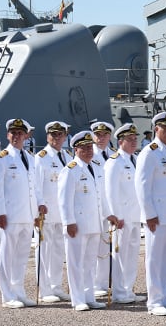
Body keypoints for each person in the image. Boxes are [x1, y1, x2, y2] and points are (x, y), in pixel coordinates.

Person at [135, 111, 166, 316]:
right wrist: (149, 214)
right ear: (157, 128)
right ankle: (154, 301)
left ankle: (165, 296)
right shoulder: (150, 152)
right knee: (155, 259)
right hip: (157, 217)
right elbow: (142, 186)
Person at [0, 118, 43, 309]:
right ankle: (7, 296)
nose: (16, 136)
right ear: (7, 135)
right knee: (6, 255)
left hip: (27, 216)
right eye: (13, 133)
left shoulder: (30, 158)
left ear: (26, 136)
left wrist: (39, 207)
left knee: (21, 256)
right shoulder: (1, 158)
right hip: (9, 215)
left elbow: (34, 187)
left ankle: (19, 292)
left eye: (20, 133)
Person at [59, 130, 107, 312]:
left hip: (93, 225)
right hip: (77, 226)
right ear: (75, 149)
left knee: (89, 264)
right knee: (76, 264)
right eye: (84, 148)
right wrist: (68, 222)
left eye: (90, 147)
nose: (88, 151)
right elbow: (64, 199)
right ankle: (78, 299)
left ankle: (89, 296)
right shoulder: (70, 170)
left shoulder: (94, 167)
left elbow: (98, 197)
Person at [104, 123, 145, 304]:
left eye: (135, 139)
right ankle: (119, 291)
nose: (134, 142)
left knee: (132, 254)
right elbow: (110, 191)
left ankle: (128, 289)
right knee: (120, 254)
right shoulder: (114, 162)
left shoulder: (135, 159)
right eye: (130, 139)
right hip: (121, 217)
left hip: (135, 216)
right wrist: (115, 215)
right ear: (120, 141)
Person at [34, 121, 73, 303]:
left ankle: (56, 286)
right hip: (46, 213)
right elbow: (36, 186)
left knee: (58, 251)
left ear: (65, 136)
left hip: (62, 214)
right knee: (44, 251)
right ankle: (44, 289)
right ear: (47, 136)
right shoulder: (41, 157)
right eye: (53, 134)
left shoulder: (67, 156)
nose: (57, 138)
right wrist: (38, 207)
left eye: (60, 135)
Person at [89, 120, 114, 298]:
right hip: (94, 209)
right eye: (98, 135)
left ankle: (103, 283)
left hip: (111, 208)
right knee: (93, 248)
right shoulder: (89, 156)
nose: (101, 138)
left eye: (105, 135)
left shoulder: (113, 156)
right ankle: (93, 283)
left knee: (106, 248)